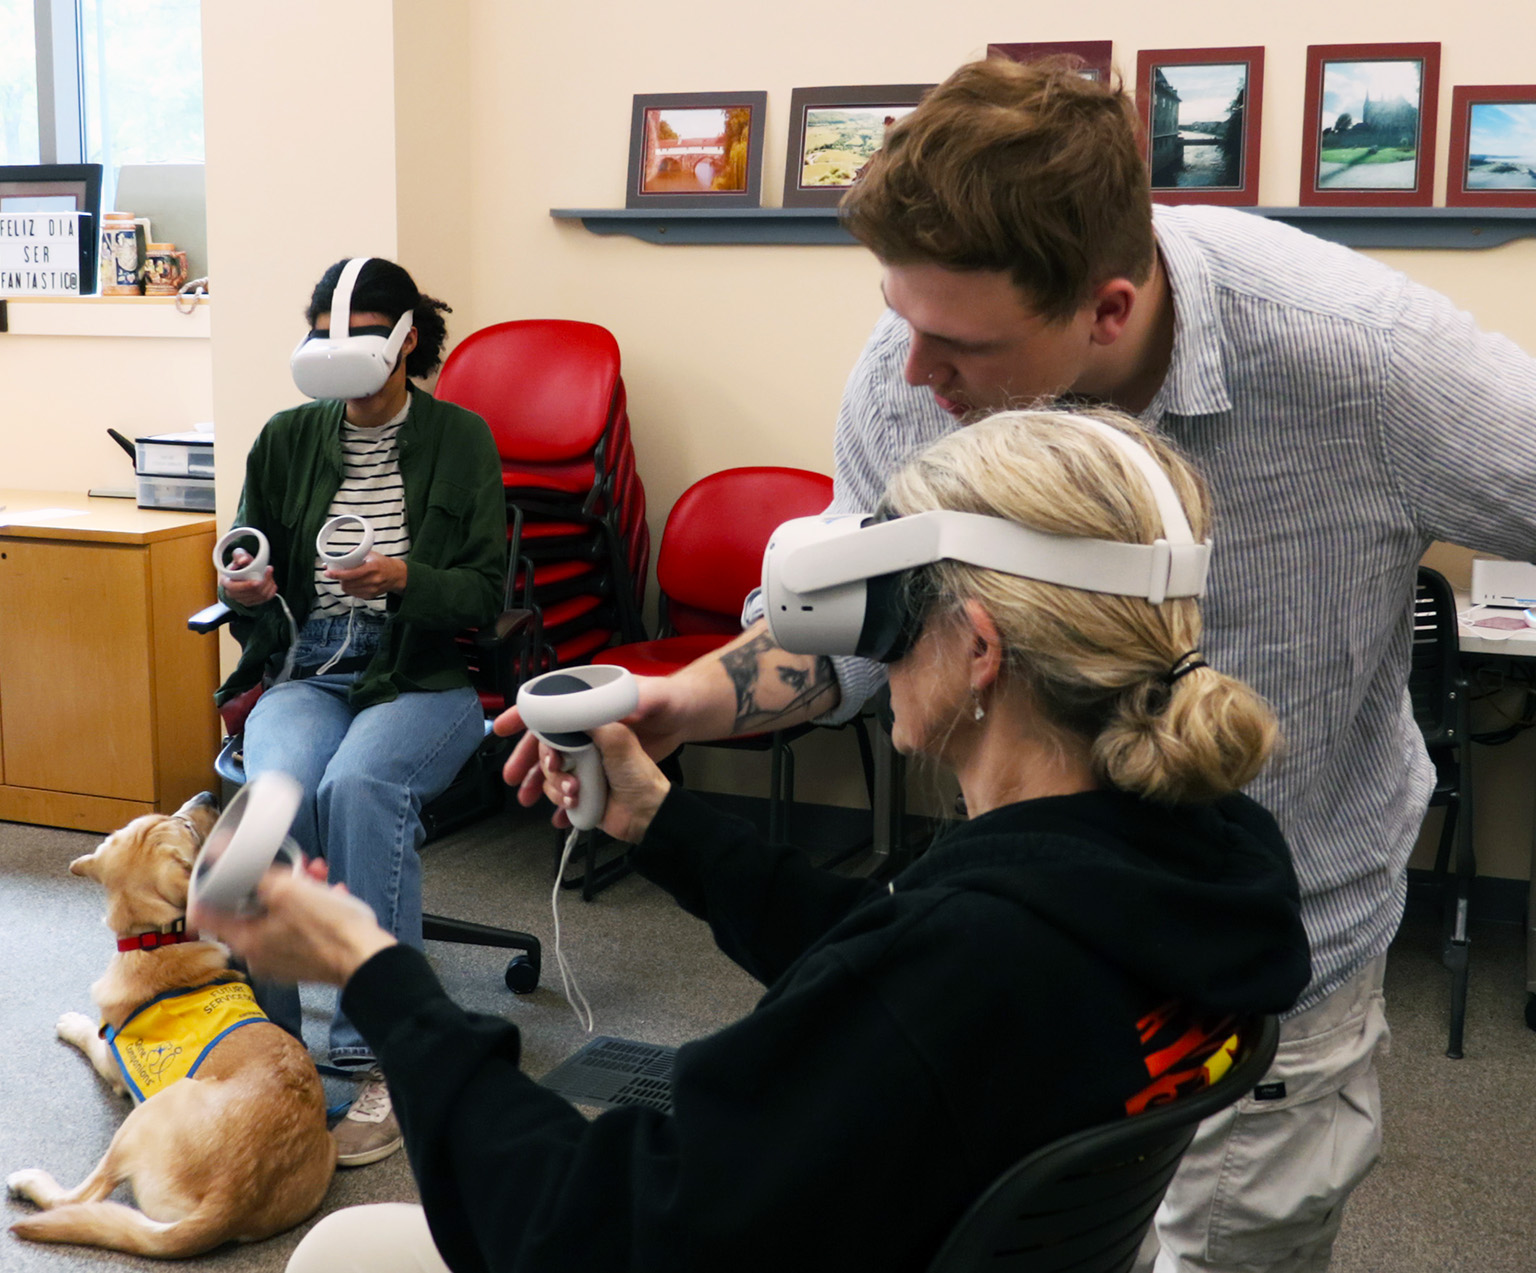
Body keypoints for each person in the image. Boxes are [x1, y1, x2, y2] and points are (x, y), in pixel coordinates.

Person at [500, 57, 1536, 1273]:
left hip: (1257, 972)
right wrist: (691, 697)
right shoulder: (915, 372)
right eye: (900, 320)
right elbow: (870, 623)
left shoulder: (1361, 360)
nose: (910, 376)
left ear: (1105, 309)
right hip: (1016, 969)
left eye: (953, 344)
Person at [203, 409, 1312, 1273]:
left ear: (975, 648)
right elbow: (885, 957)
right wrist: (656, 820)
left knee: (346, 1249)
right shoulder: (1188, 859)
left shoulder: (973, 963)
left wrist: (375, 972)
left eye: (891, 613)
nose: (875, 653)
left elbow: (583, 1232)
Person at [215, 256, 507, 1167]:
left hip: (420, 674)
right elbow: (245, 562)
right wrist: (246, 583)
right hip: (309, 664)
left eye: (365, 331)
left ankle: (380, 1049)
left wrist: (404, 579)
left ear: (406, 338)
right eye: (328, 332)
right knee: (275, 796)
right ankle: (267, 1044)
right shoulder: (288, 436)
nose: (343, 349)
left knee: (363, 787)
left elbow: (483, 591)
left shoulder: (462, 439)